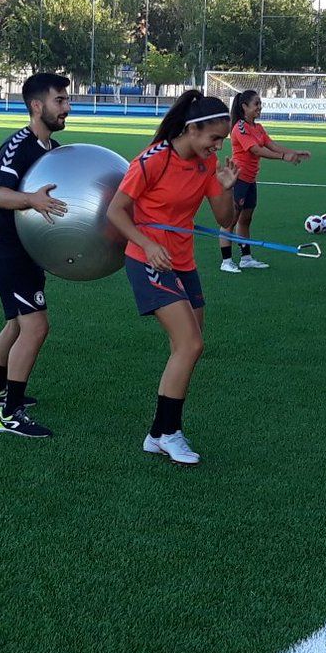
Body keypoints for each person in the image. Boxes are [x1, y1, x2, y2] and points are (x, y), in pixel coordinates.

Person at [107, 92, 238, 466]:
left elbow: (225, 221)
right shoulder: (153, 161)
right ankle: (168, 432)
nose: (217, 146)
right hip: (149, 259)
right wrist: (147, 245)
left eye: (222, 141)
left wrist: (227, 188)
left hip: (182, 261)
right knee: (190, 345)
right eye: (213, 138)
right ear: (191, 129)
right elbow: (116, 212)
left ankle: (157, 432)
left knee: (191, 341)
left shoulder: (206, 165)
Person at [0, 72, 72, 439]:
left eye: (66, 100)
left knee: (17, 325)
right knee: (36, 326)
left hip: (27, 251)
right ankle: (10, 414)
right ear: (37, 105)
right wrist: (32, 199)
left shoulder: (53, 150)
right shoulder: (19, 144)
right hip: (7, 251)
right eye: (59, 101)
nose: (67, 107)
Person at [220, 90, 310, 273]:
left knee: (246, 219)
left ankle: (246, 258)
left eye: (260, 104)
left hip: (251, 180)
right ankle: (226, 261)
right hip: (238, 179)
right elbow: (256, 150)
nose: (260, 107)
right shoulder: (240, 128)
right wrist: (283, 157)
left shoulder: (258, 128)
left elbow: (271, 145)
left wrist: (293, 152)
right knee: (231, 220)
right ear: (245, 107)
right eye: (256, 104)